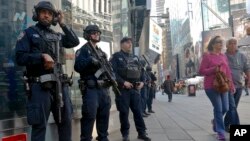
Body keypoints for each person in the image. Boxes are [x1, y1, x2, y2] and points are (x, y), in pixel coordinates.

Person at [15, 1, 79, 141]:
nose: (47, 16)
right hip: (39, 87)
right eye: (43, 12)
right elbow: (20, 57)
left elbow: (74, 41)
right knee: (39, 126)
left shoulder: (58, 36)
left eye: (50, 14)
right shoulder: (28, 33)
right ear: (37, 14)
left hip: (60, 86)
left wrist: (62, 23)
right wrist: (41, 56)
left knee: (65, 122)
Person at [74, 25, 112, 141]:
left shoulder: (102, 53)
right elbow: (77, 66)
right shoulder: (83, 50)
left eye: (98, 33)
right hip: (91, 88)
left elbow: (109, 69)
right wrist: (90, 60)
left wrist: (112, 79)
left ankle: (103, 137)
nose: (97, 34)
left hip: (104, 89)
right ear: (87, 35)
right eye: (93, 33)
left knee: (104, 115)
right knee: (89, 116)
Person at [110, 37, 151, 141]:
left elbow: (142, 72)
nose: (130, 44)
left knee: (138, 111)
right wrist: (123, 82)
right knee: (124, 113)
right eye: (128, 42)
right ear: (122, 44)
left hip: (134, 89)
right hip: (123, 90)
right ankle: (125, 134)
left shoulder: (135, 58)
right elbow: (112, 73)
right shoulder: (116, 57)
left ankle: (141, 133)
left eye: (131, 43)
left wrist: (142, 82)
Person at [199, 35, 235, 141]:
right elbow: (201, 71)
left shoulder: (223, 56)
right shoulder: (207, 56)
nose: (221, 44)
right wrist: (213, 69)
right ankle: (221, 132)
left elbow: (228, 72)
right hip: (211, 86)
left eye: (221, 42)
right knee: (218, 108)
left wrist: (231, 85)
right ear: (213, 44)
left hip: (223, 85)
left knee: (225, 108)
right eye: (218, 42)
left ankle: (215, 121)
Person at [224, 38, 250, 132]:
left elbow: (246, 68)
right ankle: (238, 131)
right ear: (227, 45)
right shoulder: (223, 56)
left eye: (234, 43)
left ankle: (225, 125)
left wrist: (249, 79)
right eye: (230, 43)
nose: (233, 45)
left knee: (233, 107)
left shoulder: (241, 56)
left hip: (239, 86)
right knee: (232, 107)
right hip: (227, 86)